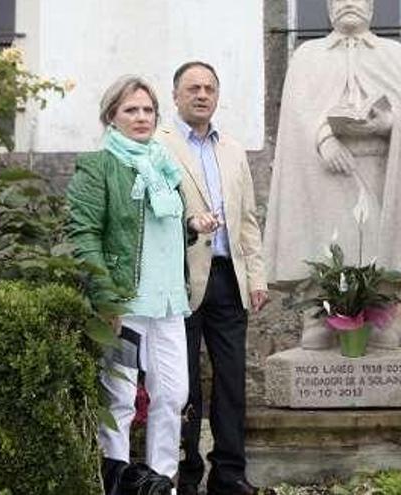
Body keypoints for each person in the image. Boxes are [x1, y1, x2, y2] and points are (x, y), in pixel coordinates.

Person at [67, 76, 190, 494]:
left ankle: (161, 484)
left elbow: (163, 231)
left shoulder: (164, 164)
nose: (141, 118)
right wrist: (105, 300)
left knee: (173, 395)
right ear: (112, 117)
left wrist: (192, 226)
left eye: (148, 110)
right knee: (119, 399)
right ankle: (115, 484)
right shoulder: (98, 165)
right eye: (131, 110)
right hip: (123, 304)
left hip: (169, 301)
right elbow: (83, 235)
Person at [155, 61, 271, 495]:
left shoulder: (234, 150)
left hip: (229, 279)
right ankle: (185, 477)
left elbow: (248, 222)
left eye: (208, 88)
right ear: (176, 96)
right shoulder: (159, 146)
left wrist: (256, 276)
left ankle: (229, 475)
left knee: (231, 382)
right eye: (192, 88)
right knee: (181, 384)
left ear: (217, 96)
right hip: (180, 279)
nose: (201, 95)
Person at [264, 0, 401, 285]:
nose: (349, 3)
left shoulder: (394, 54)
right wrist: (324, 138)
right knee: (322, 290)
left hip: (379, 173)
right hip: (324, 178)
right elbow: (297, 111)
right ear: (329, 8)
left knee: (381, 298)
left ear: (371, 6)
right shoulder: (308, 55)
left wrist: (389, 123)